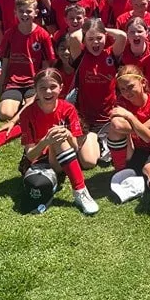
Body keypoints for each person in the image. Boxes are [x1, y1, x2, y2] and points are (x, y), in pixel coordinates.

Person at [16, 68, 99, 216]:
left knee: (59, 137)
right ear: (35, 90)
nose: (48, 92)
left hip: (60, 158)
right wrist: (45, 141)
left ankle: (80, 191)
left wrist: (67, 134)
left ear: (61, 88)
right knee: (55, 137)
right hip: (37, 162)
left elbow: (75, 147)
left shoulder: (68, 109)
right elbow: (29, 155)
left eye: (53, 87)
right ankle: (66, 185)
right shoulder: (28, 113)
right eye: (42, 88)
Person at [106, 65, 150, 194]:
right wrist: (144, 125)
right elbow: (117, 125)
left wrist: (129, 116)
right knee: (114, 129)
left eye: (130, 87)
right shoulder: (121, 102)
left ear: (143, 83)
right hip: (130, 148)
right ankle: (121, 170)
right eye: (122, 89)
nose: (127, 93)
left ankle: (140, 177)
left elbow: (148, 137)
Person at [0, 0, 55, 121]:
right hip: (13, 82)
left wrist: (43, 86)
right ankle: (19, 104)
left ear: (36, 13)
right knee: (4, 114)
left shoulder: (42, 35)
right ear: (15, 13)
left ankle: (24, 105)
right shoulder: (10, 34)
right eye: (21, 11)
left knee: (36, 112)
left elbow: (46, 65)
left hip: (33, 83)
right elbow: (5, 60)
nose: (25, 14)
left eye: (28, 11)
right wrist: (3, 83)